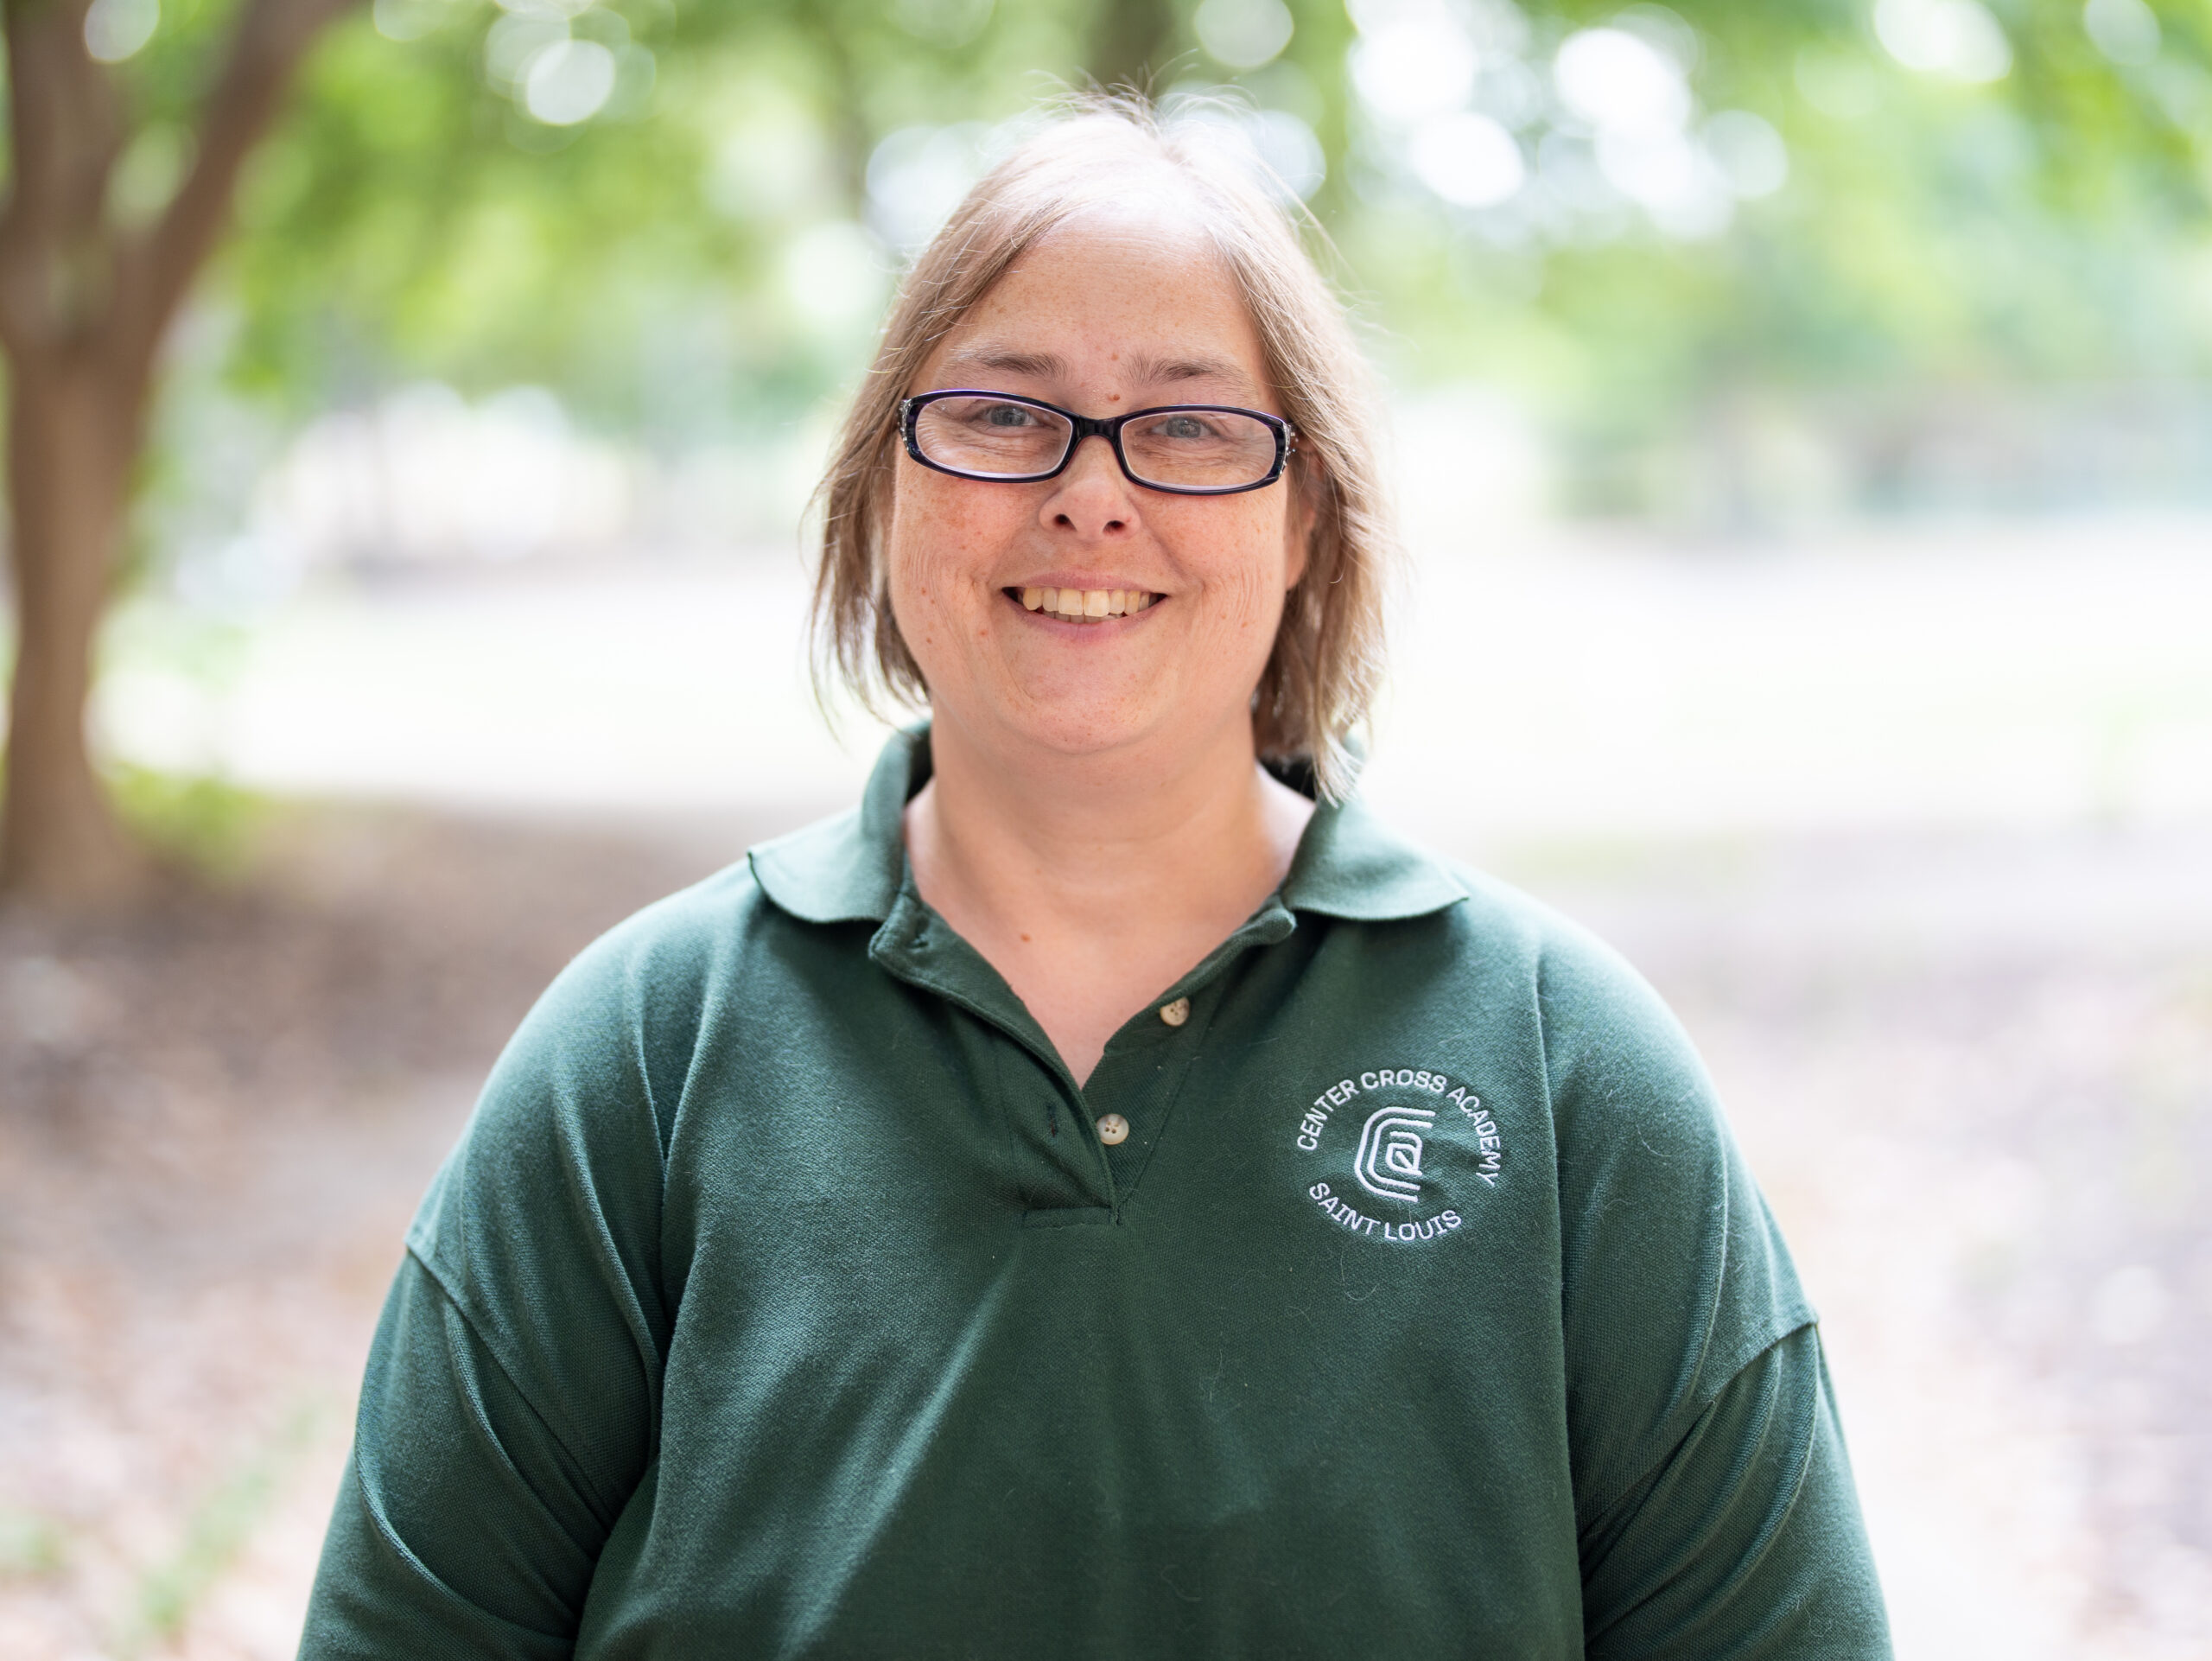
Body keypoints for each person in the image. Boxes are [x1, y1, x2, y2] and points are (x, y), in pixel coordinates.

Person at [300, 99, 1891, 1658]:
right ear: (883, 483)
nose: (1090, 491)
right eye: (1003, 413)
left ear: (1307, 516)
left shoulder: (1563, 1062)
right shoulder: (642, 1052)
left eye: (1192, 423)